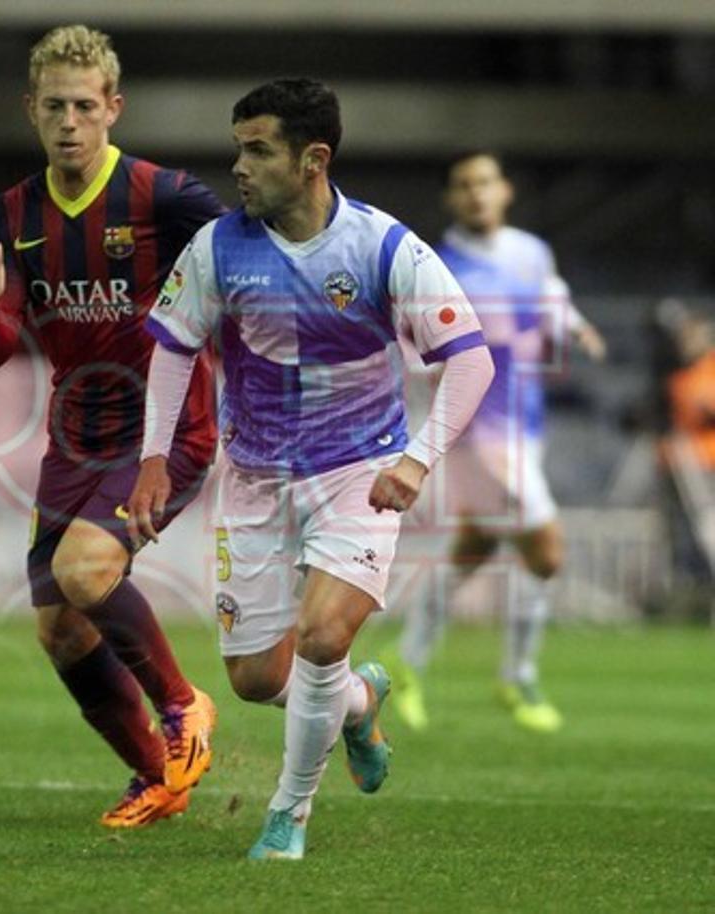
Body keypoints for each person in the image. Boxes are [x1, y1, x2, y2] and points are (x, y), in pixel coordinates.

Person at [126, 78, 495, 860]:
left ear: (312, 159)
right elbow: (172, 346)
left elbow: (471, 363)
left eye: (258, 150)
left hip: (357, 475)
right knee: (257, 678)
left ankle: (287, 816)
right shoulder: (220, 246)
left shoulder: (383, 246)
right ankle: (360, 704)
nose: (241, 167)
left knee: (324, 636)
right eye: (239, 150)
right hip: (255, 478)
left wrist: (417, 461)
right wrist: (153, 458)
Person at [0, 24, 223, 828]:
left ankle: (183, 707)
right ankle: (156, 779)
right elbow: (2, 349)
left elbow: (239, 258)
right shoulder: (14, 213)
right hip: (74, 437)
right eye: (54, 107)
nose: (69, 122)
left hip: (164, 433)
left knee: (82, 574)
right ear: (31, 110)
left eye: (84, 106)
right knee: (60, 630)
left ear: (113, 108)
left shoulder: (162, 196)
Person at [386, 151, 607, 734]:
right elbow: (420, 349)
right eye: (464, 185)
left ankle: (405, 665)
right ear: (451, 200)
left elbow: (551, 295)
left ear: (504, 189)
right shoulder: (442, 266)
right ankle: (518, 676)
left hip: (524, 422)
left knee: (474, 548)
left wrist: (576, 326)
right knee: (547, 547)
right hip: (479, 431)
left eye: (485, 181)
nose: (477, 193)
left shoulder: (531, 251)